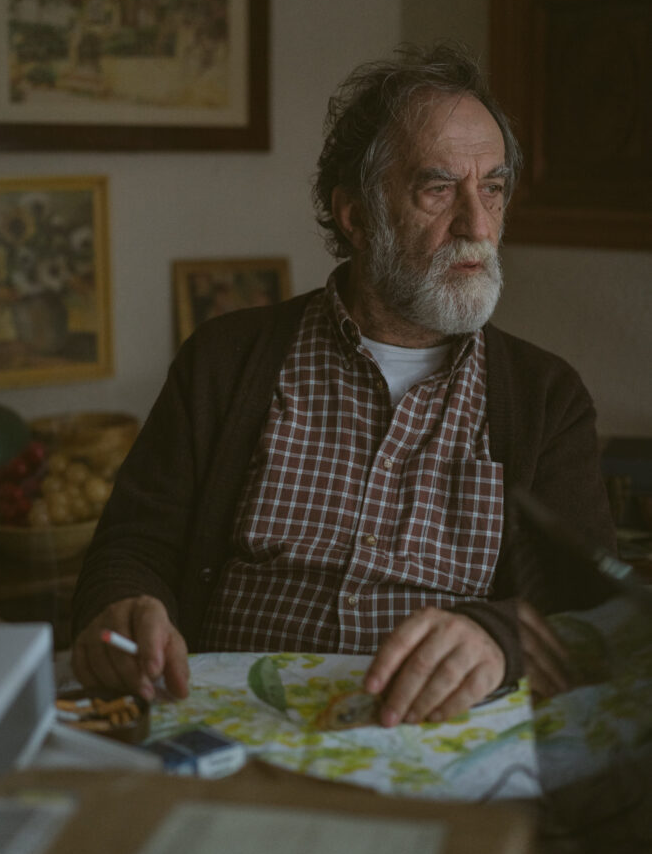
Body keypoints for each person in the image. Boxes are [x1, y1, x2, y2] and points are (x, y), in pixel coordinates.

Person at [71, 43, 615, 726]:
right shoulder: (226, 359)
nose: (477, 226)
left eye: (493, 189)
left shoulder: (545, 397)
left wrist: (499, 639)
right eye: (437, 189)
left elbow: (592, 614)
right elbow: (132, 546)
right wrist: (124, 605)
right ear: (356, 216)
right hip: (225, 726)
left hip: (430, 743)